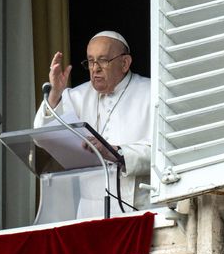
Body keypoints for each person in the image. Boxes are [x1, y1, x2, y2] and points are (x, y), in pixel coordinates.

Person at [34, 30, 151, 213]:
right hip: (90, 211)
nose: (95, 68)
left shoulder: (151, 93)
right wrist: (55, 94)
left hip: (139, 208)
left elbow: (164, 153)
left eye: (103, 60)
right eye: (90, 60)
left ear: (125, 63)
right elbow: (41, 137)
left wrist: (118, 153)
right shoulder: (76, 96)